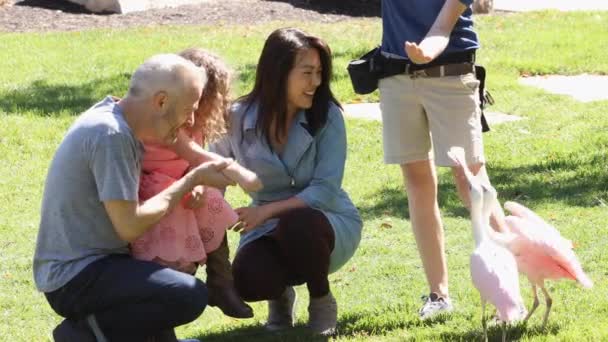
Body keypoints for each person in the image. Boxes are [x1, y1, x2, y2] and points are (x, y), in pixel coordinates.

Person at [33, 54, 235, 342]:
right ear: (161, 101)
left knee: (170, 276)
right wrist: (190, 180)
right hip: (75, 276)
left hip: (98, 265)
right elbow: (129, 226)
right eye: (189, 110)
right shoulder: (111, 136)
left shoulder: (113, 119)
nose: (191, 120)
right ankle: (83, 332)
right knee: (188, 294)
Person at [210, 27, 362, 336]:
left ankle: (321, 299)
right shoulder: (237, 116)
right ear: (279, 72)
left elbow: (325, 189)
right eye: (307, 72)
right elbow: (214, 172)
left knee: (298, 224)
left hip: (326, 219)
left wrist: (265, 212)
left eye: (320, 73)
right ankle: (278, 298)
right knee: (247, 280)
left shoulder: (328, 115)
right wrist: (209, 215)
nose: (316, 82)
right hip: (264, 226)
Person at [377, 0, 509, 319]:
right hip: (395, 75)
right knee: (417, 183)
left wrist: (425, 52)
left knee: (472, 183)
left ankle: (507, 292)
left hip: (450, 74)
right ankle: (439, 296)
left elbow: (442, 26)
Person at [131, 48, 260, 319]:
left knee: (213, 203)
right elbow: (196, 155)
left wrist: (201, 185)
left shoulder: (193, 123)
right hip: (156, 190)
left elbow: (193, 164)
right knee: (171, 250)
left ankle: (220, 281)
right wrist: (237, 172)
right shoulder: (167, 120)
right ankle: (168, 303)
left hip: (184, 185)